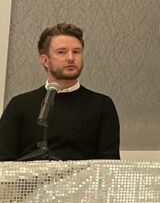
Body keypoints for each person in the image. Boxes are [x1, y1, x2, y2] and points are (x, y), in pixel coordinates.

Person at [0, 23, 120, 161]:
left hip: (84, 175)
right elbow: (3, 161)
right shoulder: (20, 105)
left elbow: (109, 163)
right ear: (45, 60)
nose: (71, 58)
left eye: (76, 52)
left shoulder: (102, 105)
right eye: (62, 52)